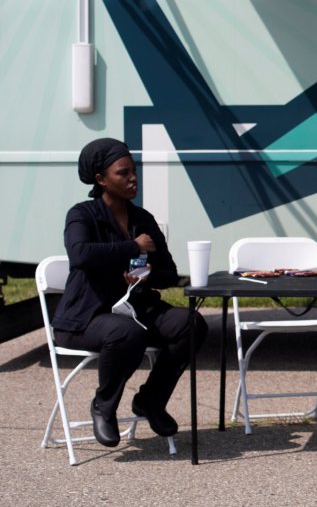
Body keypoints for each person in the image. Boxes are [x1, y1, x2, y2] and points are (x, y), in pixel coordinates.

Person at [54, 138, 208, 447]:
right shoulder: (82, 215)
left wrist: (147, 277)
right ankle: (104, 406)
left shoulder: (143, 219)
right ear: (101, 179)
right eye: (123, 173)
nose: (132, 178)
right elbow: (80, 254)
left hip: (137, 308)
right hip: (87, 317)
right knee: (127, 333)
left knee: (192, 323)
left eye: (133, 171)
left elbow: (169, 273)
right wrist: (132, 247)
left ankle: (151, 400)